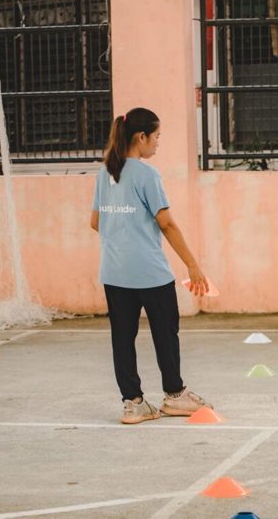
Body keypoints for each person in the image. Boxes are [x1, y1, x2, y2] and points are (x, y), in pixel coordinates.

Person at [91, 107, 212, 424]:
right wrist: (193, 266)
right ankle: (174, 395)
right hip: (148, 271)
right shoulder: (147, 175)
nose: (158, 143)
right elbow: (167, 224)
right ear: (140, 137)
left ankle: (133, 403)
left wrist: (120, 233)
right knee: (165, 332)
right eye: (156, 137)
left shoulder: (105, 173)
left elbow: (95, 222)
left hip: (114, 272)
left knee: (122, 337)